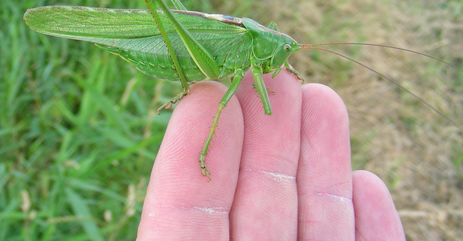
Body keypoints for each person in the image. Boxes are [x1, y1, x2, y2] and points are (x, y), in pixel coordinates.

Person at [136, 70, 406, 240]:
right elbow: (265, 108)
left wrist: (285, 65)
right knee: (218, 102)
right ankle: (187, 99)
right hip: (191, 55)